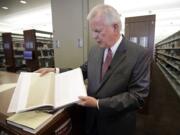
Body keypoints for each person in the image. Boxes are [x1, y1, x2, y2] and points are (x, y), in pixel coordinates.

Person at [36, 4, 151, 135]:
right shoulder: (95, 50)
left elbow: (137, 97)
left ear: (115, 27)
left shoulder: (139, 54)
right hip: (91, 120)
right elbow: (83, 70)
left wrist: (98, 104)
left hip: (117, 125)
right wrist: (56, 70)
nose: (93, 36)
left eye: (97, 31)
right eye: (92, 31)